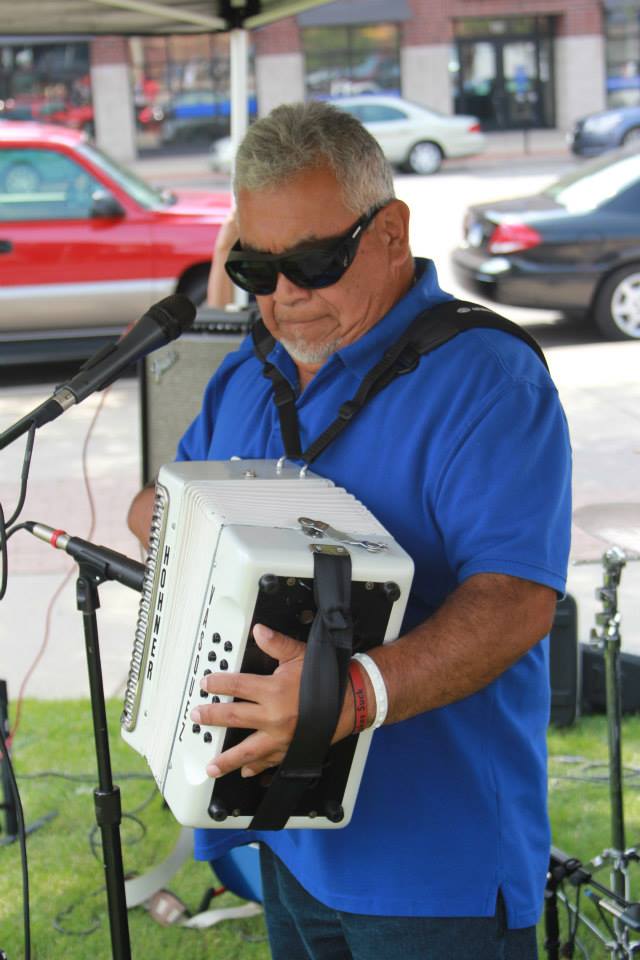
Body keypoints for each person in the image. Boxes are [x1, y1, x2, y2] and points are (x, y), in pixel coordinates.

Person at [127, 100, 572, 960]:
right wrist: (173, 525)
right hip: (287, 836)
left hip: (434, 855)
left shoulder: (489, 379)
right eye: (255, 267)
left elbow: (516, 602)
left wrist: (350, 693)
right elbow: (164, 498)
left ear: (392, 234)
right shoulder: (247, 374)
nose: (284, 297)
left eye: (316, 261)